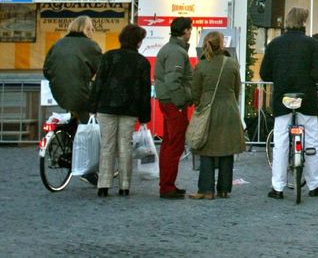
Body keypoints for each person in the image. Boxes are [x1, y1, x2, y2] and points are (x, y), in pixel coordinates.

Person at [260, 7, 318, 199]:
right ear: (303, 23)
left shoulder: (275, 44)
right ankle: (315, 184)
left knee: (280, 141)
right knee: (312, 140)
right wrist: (311, 79)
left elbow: (265, 73)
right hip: (306, 98)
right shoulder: (312, 44)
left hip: (283, 97)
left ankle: (278, 187)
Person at [88, 24, 151, 197]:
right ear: (138, 42)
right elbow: (144, 91)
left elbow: (98, 83)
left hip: (106, 106)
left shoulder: (109, 57)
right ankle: (124, 186)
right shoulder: (142, 62)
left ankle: (103, 185)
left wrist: (92, 106)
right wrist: (145, 116)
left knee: (107, 145)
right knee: (125, 146)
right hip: (129, 109)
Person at [189, 31, 246, 199]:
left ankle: (206, 190)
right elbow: (237, 89)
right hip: (229, 110)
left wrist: (199, 105)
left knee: (206, 148)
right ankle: (224, 189)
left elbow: (195, 91)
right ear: (222, 44)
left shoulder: (202, 65)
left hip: (208, 109)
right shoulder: (231, 63)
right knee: (227, 149)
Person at [154, 16, 193, 199]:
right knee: (174, 145)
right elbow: (173, 80)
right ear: (185, 31)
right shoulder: (176, 52)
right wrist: (180, 101)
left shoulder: (171, 49)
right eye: (190, 29)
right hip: (173, 103)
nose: (191, 32)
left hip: (169, 101)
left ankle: (168, 183)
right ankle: (167, 186)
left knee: (169, 144)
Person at [43, 16, 102, 126]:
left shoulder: (58, 44)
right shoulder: (90, 45)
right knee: (90, 124)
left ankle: (69, 136)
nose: (93, 32)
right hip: (81, 93)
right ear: (87, 29)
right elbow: (102, 71)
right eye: (92, 29)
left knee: (73, 115)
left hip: (59, 92)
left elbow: (46, 70)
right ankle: (84, 140)